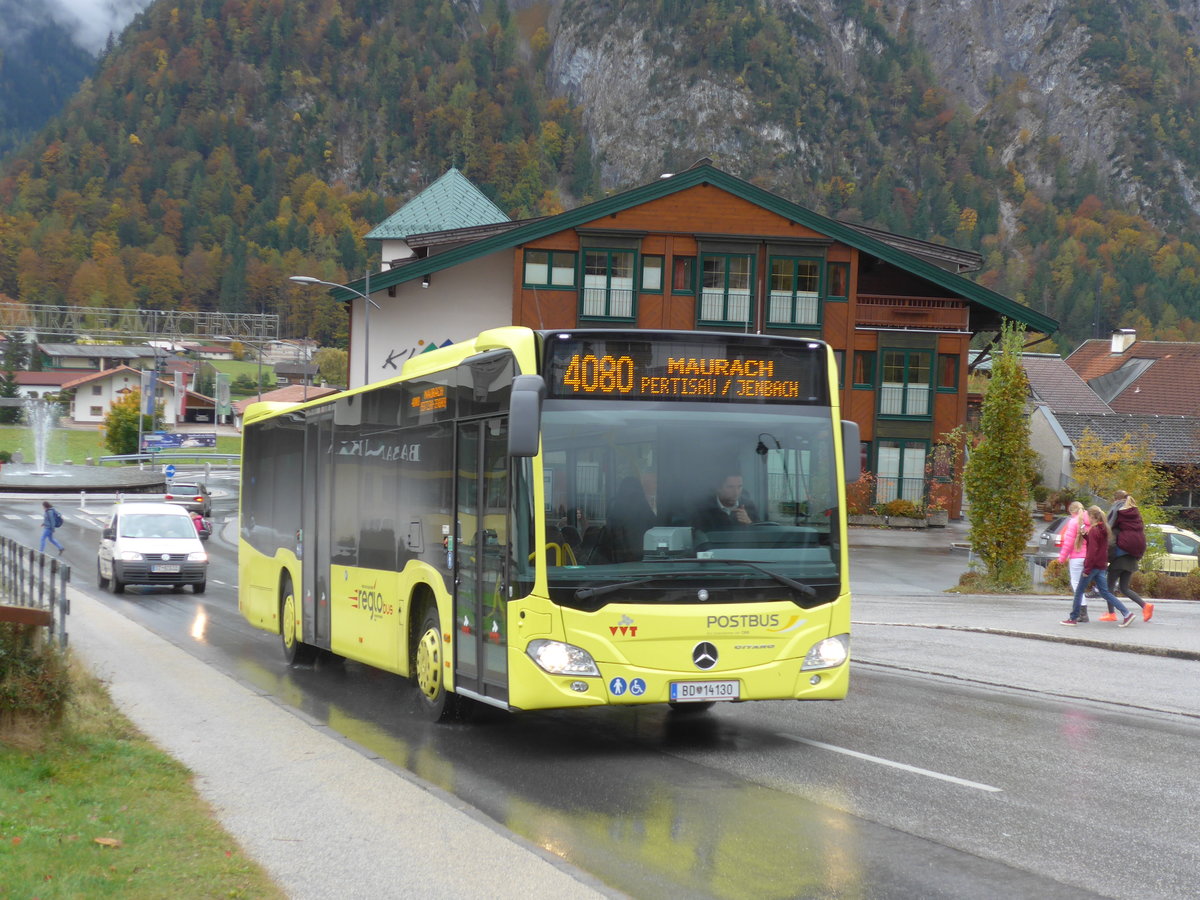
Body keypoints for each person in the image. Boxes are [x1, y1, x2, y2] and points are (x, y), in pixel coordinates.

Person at [1062, 505, 1135, 627]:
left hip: (1093, 566)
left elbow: (1092, 552)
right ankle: (1127, 613)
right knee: (1105, 592)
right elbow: (1099, 546)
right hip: (1101, 565)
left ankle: (1073, 618)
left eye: (1088, 517)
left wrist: (1087, 569)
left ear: (1092, 517)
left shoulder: (1094, 530)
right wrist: (1086, 536)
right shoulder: (1103, 528)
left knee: (1079, 591)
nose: (1087, 519)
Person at [1102, 492, 1153, 622]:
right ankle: (1145, 606)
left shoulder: (1118, 520)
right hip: (1132, 558)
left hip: (1119, 559)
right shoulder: (1135, 516)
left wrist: (1108, 556)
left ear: (1116, 499)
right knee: (1124, 588)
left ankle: (1111, 614)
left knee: (1109, 588)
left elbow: (1111, 541)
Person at [599, 474, 659, 562]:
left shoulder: (614, 505)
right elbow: (655, 528)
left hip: (618, 558)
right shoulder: (643, 506)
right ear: (640, 490)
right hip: (643, 557)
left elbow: (611, 531)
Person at [1056, 501, 1091, 623]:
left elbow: (1069, 542)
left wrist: (1062, 558)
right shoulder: (1091, 520)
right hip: (1089, 557)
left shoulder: (1073, 522)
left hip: (1077, 557)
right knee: (1088, 584)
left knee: (1077, 585)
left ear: (1072, 512)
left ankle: (1082, 613)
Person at [692, 472, 759, 533]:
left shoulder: (749, 506)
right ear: (718, 488)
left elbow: (760, 536)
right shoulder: (704, 509)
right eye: (730, 487)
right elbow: (698, 536)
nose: (736, 492)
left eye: (739, 487)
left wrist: (749, 523)